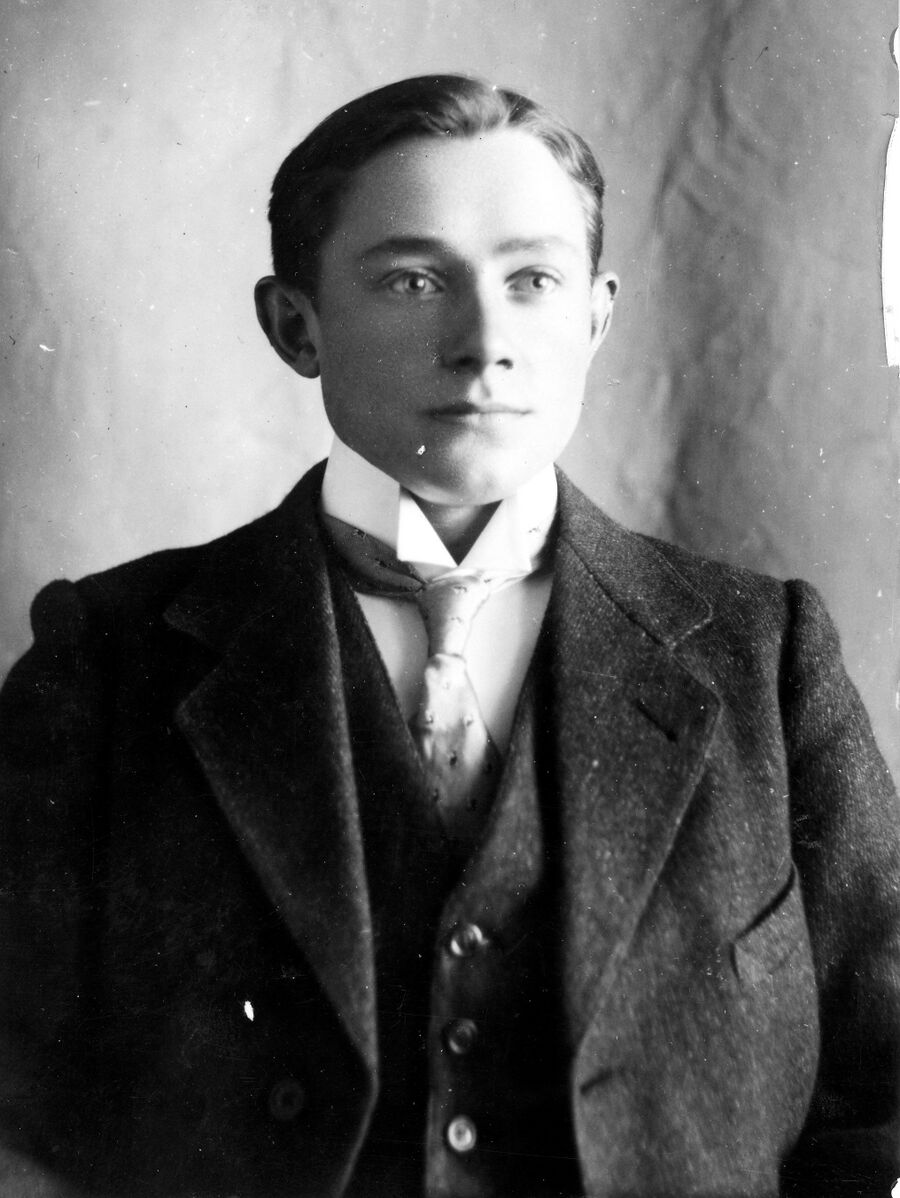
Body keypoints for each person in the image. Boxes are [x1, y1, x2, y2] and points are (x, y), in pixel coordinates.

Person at [0, 74, 897, 1198]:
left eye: (533, 280)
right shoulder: (108, 657)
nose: (483, 344)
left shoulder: (763, 656)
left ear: (596, 318)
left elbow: (883, 1096)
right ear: (295, 325)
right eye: (413, 281)